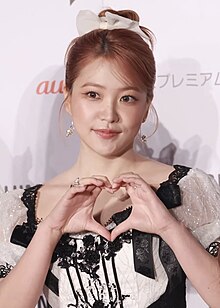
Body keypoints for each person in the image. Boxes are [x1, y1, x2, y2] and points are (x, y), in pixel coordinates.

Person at [0, 8, 220, 308]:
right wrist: (50, 230)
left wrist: (169, 227)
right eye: (93, 95)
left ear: (146, 107)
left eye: (127, 98)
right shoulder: (24, 208)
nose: (109, 114)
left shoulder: (184, 189)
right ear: (68, 98)